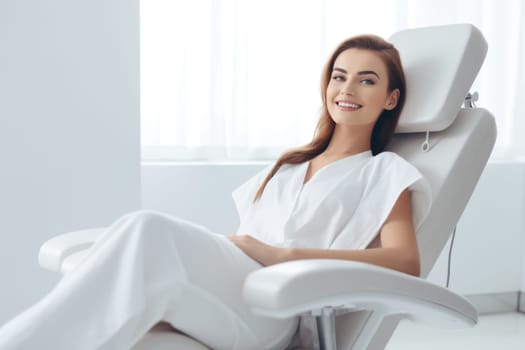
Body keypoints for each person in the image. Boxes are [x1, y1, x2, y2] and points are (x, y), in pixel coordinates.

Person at [0, 34, 430, 350]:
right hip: (239, 286)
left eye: (367, 81)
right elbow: (246, 238)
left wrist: (284, 255)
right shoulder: (289, 164)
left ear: (390, 99)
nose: (348, 89)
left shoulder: (385, 171)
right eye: (340, 76)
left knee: (147, 228)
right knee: (138, 243)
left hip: (279, 308)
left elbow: (403, 261)